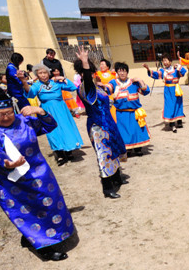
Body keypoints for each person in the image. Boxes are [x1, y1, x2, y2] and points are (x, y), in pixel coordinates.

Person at [0, 84, 77, 260]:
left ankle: (32, 237)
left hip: (40, 173)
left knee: (49, 204)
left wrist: (40, 111)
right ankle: (45, 248)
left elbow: (50, 125)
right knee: (28, 211)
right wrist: (7, 162)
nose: (6, 117)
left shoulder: (23, 121)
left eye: (9, 112)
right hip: (11, 181)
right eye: (0, 115)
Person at [74, 48, 128, 199]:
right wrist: (84, 62)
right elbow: (87, 82)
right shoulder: (84, 88)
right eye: (87, 72)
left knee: (115, 150)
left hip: (109, 123)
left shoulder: (98, 87)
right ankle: (108, 187)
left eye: (92, 72)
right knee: (104, 155)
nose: (91, 74)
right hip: (97, 126)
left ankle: (117, 177)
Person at [23, 64, 84, 166]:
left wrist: (63, 78)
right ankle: (59, 153)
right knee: (52, 132)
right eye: (40, 73)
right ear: (37, 75)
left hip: (61, 109)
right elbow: (30, 93)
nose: (43, 75)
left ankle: (68, 150)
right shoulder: (36, 86)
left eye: (45, 72)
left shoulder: (56, 83)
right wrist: (24, 82)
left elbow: (73, 87)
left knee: (65, 128)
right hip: (47, 111)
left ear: (48, 73)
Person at [103, 62, 151, 157]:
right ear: (117, 72)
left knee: (136, 130)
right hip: (121, 113)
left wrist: (140, 81)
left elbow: (146, 92)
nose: (122, 73)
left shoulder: (133, 82)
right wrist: (101, 85)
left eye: (124, 71)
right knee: (124, 132)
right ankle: (127, 149)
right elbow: (107, 89)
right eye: (119, 71)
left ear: (127, 72)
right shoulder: (113, 82)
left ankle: (138, 149)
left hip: (134, 112)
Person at [144, 54, 187, 132]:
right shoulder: (162, 70)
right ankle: (172, 123)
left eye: (166, 60)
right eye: (163, 60)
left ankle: (179, 121)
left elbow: (183, 72)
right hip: (168, 90)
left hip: (176, 89)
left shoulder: (175, 69)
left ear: (170, 61)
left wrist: (179, 66)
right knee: (169, 106)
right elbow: (156, 74)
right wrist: (148, 69)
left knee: (178, 104)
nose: (165, 62)